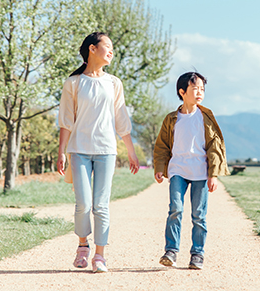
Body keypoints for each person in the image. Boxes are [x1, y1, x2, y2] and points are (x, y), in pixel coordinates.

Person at [57, 32, 139, 273]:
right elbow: (66, 121)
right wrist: (61, 152)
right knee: (83, 204)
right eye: (108, 46)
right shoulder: (73, 83)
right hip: (78, 150)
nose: (112, 51)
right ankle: (83, 246)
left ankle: (100, 256)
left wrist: (131, 152)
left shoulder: (114, 83)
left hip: (106, 151)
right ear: (92, 49)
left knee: (101, 205)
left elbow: (121, 120)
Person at [153, 71, 230, 270]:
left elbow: (215, 147)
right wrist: (160, 168)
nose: (200, 92)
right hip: (178, 169)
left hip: (200, 173)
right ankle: (171, 251)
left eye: (202, 89)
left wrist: (213, 174)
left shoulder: (205, 118)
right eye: (195, 88)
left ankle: (197, 254)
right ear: (182, 91)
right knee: (175, 209)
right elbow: (162, 146)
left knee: (198, 215)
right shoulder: (172, 119)